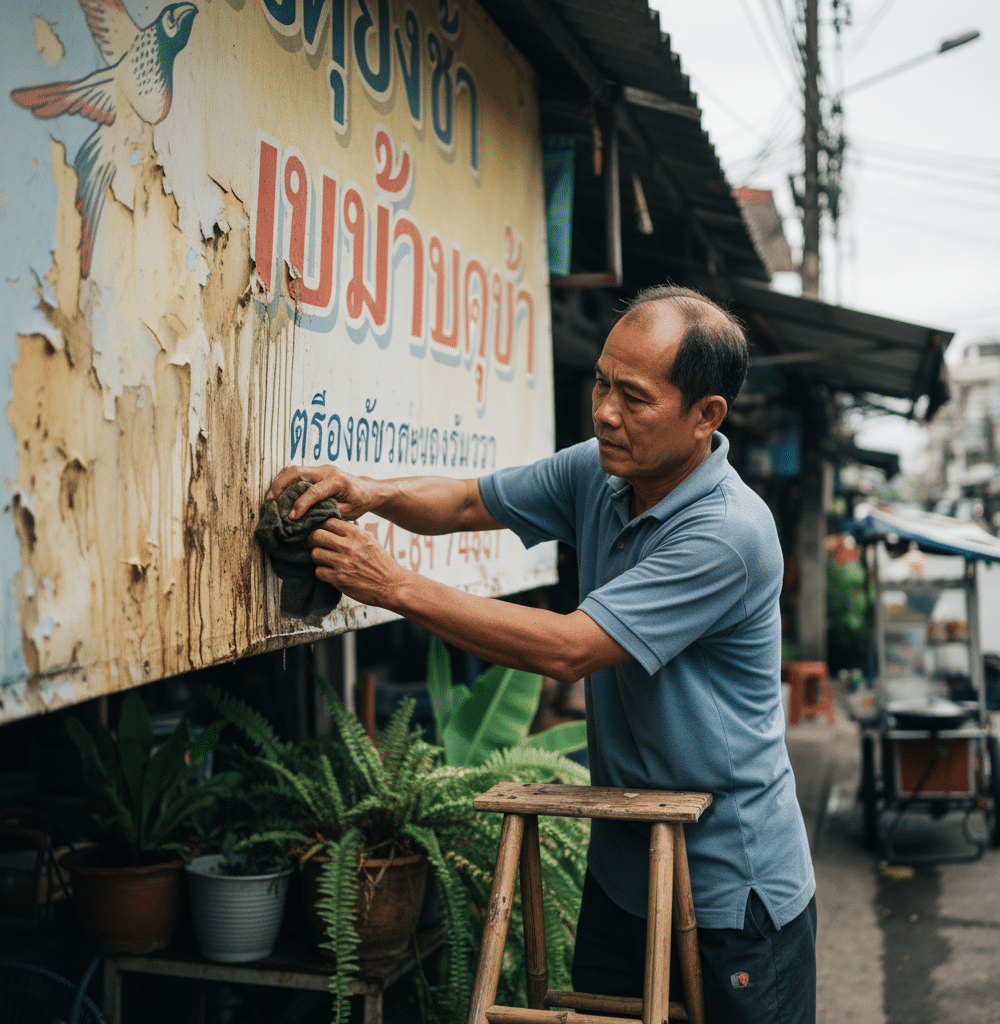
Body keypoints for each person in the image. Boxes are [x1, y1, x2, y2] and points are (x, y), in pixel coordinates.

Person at [266, 284, 816, 1023]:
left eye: (634, 396)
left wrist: (391, 584)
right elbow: (468, 501)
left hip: (727, 887)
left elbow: (570, 649)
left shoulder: (727, 532)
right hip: (627, 868)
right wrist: (368, 489)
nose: (604, 411)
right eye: (600, 381)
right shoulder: (603, 471)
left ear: (704, 417)